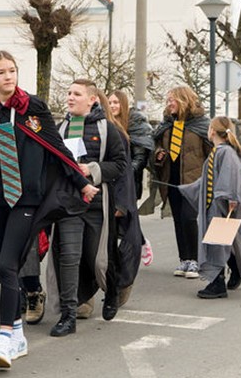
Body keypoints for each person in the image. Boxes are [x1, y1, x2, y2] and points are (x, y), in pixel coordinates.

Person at [0, 51, 99, 369]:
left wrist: (80, 182)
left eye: (12, 71)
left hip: (27, 199)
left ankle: (3, 337)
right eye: (1, 72)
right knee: (3, 268)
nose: (8, 77)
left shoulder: (34, 107)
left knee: (8, 263)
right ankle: (17, 333)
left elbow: (56, 147)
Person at [47, 80, 126, 335]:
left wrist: (91, 170)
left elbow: (120, 165)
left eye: (76, 94)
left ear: (92, 99)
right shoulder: (61, 128)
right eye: (68, 93)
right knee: (68, 258)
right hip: (68, 203)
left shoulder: (107, 129)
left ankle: (112, 290)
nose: (70, 97)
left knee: (97, 259)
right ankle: (68, 315)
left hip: (96, 203)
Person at [178, 116, 241, 299]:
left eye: (209, 128)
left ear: (212, 131)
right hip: (216, 203)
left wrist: (230, 197)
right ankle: (235, 269)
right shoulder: (220, 151)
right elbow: (208, 179)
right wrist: (187, 189)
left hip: (221, 206)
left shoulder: (225, 153)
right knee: (224, 241)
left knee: (216, 242)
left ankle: (217, 284)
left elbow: (232, 177)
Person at [148, 86, 211, 278]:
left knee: (189, 217)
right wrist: (157, 154)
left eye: (172, 100)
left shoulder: (201, 124)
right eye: (167, 100)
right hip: (171, 178)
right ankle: (184, 259)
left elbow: (212, 153)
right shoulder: (167, 125)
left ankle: (195, 260)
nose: (169, 104)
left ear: (184, 100)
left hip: (193, 180)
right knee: (178, 219)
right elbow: (155, 145)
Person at [109, 89, 154, 266]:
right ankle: (117, 256)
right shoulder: (106, 123)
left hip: (129, 181)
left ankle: (141, 243)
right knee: (114, 219)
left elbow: (140, 157)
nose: (113, 106)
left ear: (124, 105)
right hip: (112, 180)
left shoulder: (135, 123)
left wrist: (125, 172)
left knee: (128, 217)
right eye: (110, 102)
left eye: (116, 102)